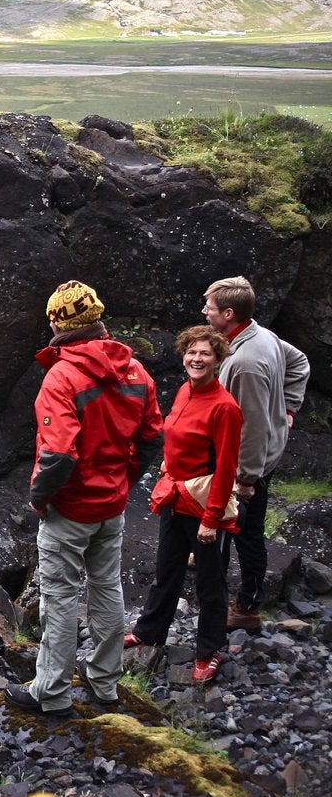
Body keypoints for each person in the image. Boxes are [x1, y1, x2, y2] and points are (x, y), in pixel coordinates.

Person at [5, 281, 163, 719]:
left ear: (57, 323)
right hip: (112, 503)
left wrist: (41, 497)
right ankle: (104, 682)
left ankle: (50, 693)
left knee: (59, 597)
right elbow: (153, 437)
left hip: (70, 509)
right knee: (107, 589)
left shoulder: (62, 376)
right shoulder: (136, 371)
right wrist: (126, 480)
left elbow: (57, 455)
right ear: (97, 318)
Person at [126, 326, 243, 682]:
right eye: (192, 352)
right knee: (167, 570)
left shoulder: (226, 408)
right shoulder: (183, 391)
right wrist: (168, 462)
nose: (197, 359)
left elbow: (226, 467)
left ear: (218, 359)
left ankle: (209, 652)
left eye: (205, 353)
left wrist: (211, 519)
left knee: (210, 583)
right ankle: (150, 631)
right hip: (175, 497)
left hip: (204, 505)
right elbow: (175, 436)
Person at [201, 276, 309, 631]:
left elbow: (251, 428)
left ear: (228, 314)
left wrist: (246, 478)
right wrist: (289, 409)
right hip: (263, 450)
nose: (204, 311)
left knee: (246, 533)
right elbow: (300, 362)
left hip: (250, 461)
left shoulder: (246, 362)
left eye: (210, 308)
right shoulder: (260, 333)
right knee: (229, 519)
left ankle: (246, 607)